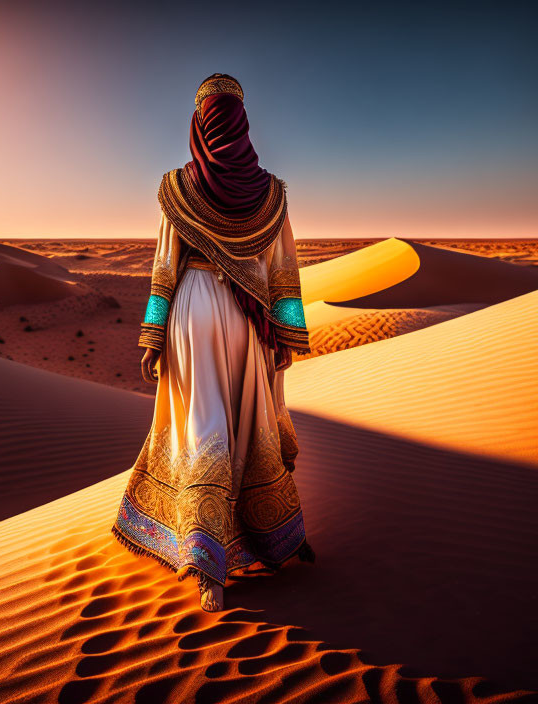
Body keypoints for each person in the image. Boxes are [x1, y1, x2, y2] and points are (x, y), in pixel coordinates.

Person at [110, 73, 314, 612]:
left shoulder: (178, 187)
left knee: (205, 430)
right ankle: (271, 539)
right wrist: (287, 333)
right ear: (242, 121)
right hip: (249, 322)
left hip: (192, 314)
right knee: (251, 425)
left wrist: (154, 334)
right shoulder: (271, 193)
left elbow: (164, 268)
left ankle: (209, 565)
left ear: (199, 124)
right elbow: (283, 273)